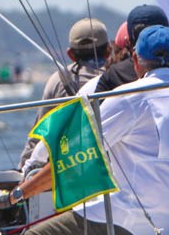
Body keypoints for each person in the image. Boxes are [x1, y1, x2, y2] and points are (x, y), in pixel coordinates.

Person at [0, 26, 169, 235]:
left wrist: (14, 196)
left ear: (135, 60)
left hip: (128, 225)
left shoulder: (129, 98)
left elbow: (72, 161)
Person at [17, 17, 110, 174]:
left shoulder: (57, 81)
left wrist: (23, 171)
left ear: (70, 54)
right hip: (111, 169)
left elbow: (40, 134)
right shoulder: (118, 76)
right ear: (108, 50)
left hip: (70, 171)